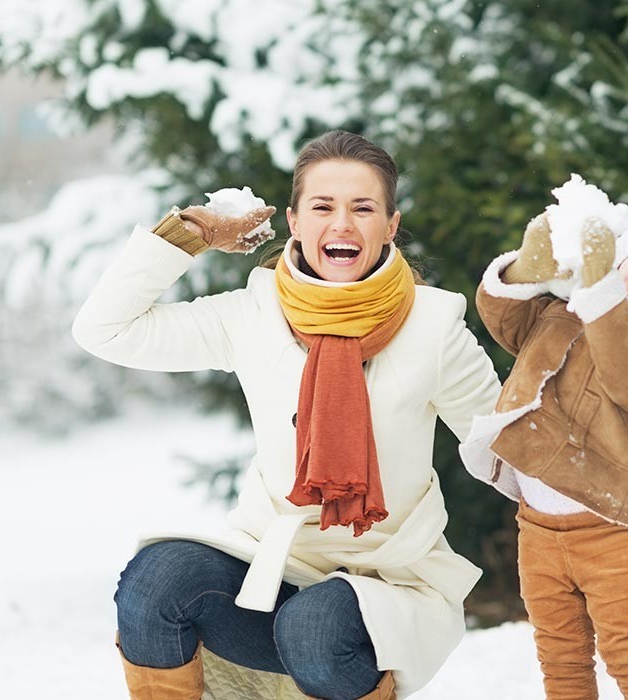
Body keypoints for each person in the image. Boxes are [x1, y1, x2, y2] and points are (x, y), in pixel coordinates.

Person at [71, 130, 501, 700]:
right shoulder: (252, 313)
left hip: (384, 585)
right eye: (322, 207)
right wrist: (187, 237)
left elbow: (504, 447)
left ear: (390, 226)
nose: (342, 224)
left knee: (315, 626)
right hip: (270, 568)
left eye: (363, 208)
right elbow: (106, 330)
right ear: (295, 221)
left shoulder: (433, 327)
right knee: (156, 582)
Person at [461, 212, 628, 699]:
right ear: (618, 259)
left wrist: (603, 287)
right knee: (560, 656)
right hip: (537, 528)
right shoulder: (560, 311)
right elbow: (502, 317)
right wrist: (527, 268)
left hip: (610, 533)